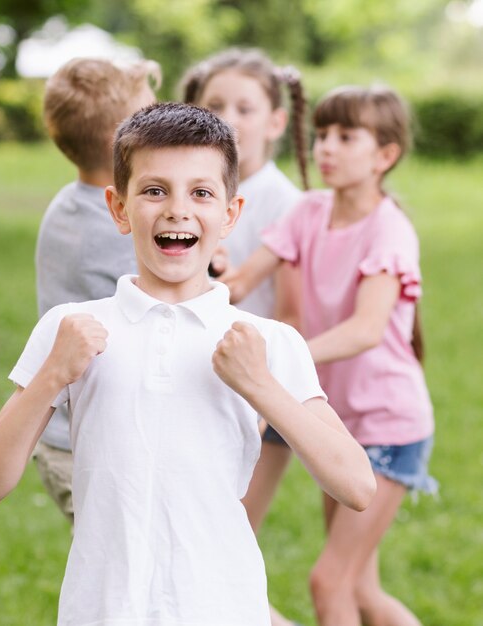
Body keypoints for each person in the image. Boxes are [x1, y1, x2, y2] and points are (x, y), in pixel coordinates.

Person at [0, 102, 376, 626]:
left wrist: (261, 387)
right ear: (118, 208)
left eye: (201, 192)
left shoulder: (268, 343)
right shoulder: (71, 330)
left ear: (230, 214)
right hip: (102, 611)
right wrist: (51, 376)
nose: (178, 209)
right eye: (154, 190)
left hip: (223, 609)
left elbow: (357, 486)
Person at [220, 86, 436, 626]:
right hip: (339, 424)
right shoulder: (308, 212)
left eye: (345, 136)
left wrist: (283, 358)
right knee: (360, 589)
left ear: (385, 155)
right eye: (320, 136)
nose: (326, 148)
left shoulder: (390, 229)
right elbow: (242, 280)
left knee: (330, 582)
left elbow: (366, 329)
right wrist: (202, 259)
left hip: (388, 425)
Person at [180, 48, 309, 626]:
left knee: (219, 557)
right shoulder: (191, 191)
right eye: (215, 106)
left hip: (259, 398)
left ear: (276, 122)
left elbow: (291, 319)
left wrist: (258, 408)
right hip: (201, 388)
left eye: (245, 107)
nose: (229, 118)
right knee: (200, 560)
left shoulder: (286, 204)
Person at [34, 57, 160, 522]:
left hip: (70, 438)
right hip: (93, 449)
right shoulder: (116, 230)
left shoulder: (70, 204)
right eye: (150, 116)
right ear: (119, 143)